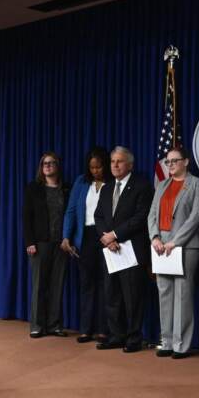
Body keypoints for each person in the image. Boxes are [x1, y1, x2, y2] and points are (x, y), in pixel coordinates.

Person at [147, 148, 199, 359]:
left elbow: (196, 216)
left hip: (185, 245)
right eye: (168, 161)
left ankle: (181, 345)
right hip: (161, 246)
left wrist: (176, 242)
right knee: (164, 292)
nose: (170, 165)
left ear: (186, 162)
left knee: (183, 293)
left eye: (175, 161)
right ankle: (167, 341)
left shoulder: (197, 184)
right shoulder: (162, 185)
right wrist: (154, 237)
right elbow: (152, 214)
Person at [94, 146, 154, 353]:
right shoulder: (107, 188)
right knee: (112, 295)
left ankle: (134, 338)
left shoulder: (142, 186)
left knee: (132, 297)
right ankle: (116, 335)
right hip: (110, 250)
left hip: (131, 250)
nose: (115, 165)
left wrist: (115, 234)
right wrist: (106, 238)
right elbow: (98, 216)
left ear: (130, 164)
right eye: (112, 162)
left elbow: (141, 217)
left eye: (119, 161)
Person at [61, 147, 112, 343]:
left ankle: (104, 330)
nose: (95, 171)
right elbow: (71, 210)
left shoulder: (112, 182)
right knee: (87, 284)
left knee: (106, 285)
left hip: (106, 237)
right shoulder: (81, 182)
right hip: (86, 237)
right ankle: (85, 329)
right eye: (92, 167)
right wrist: (66, 236)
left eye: (98, 167)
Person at [23, 152, 70, 339]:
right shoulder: (33, 188)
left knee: (57, 285)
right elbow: (27, 218)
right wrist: (30, 242)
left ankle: (54, 325)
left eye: (51, 163)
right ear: (41, 168)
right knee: (39, 285)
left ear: (58, 166)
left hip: (61, 244)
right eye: (44, 163)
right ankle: (37, 325)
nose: (48, 166)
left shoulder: (66, 188)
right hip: (40, 243)